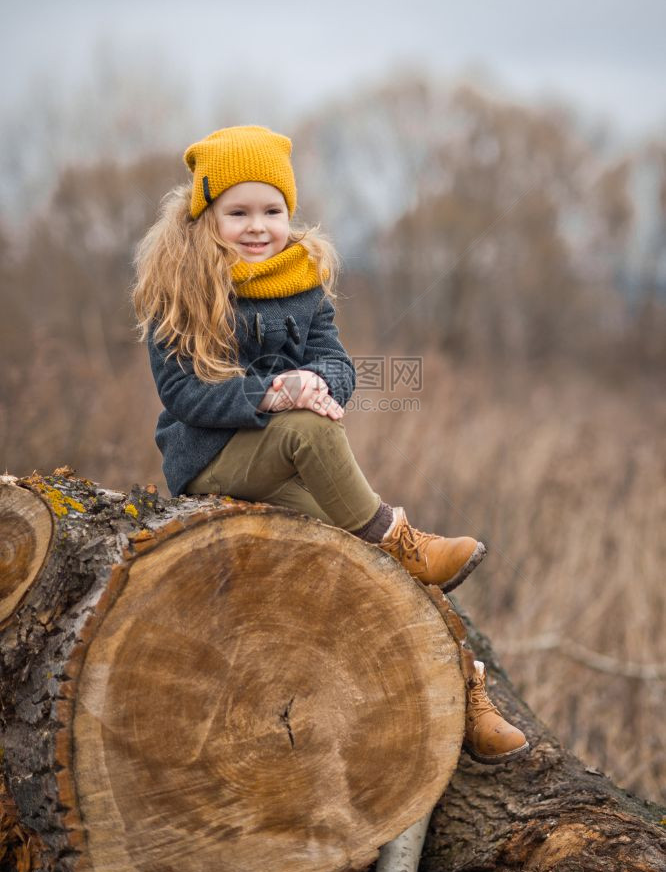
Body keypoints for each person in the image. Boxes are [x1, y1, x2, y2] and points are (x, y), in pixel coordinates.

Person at [132, 124, 529, 765]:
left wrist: (319, 381)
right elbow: (186, 394)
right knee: (311, 432)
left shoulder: (304, 281)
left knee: (381, 559)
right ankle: (397, 534)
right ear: (206, 216)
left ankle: (467, 696)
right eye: (238, 212)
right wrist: (276, 395)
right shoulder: (178, 286)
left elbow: (338, 363)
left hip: (279, 452)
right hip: (210, 458)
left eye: (272, 210)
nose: (258, 226)